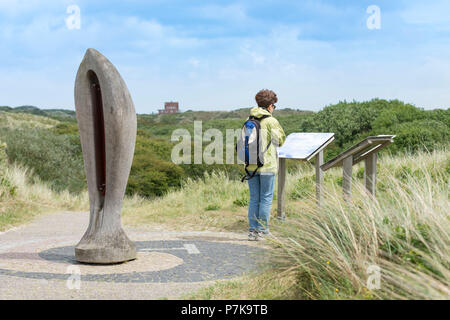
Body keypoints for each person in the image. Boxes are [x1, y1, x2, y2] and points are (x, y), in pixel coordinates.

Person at [246, 89, 286, 241]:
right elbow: (280, 141)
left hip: (251, 165)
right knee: (266, 198)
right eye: (274, 106)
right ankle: (262, 230)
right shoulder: (271, 121)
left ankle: (252, 231)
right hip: (267, 165)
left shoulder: (249, 119)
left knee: (254, 198)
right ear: (270, 106)